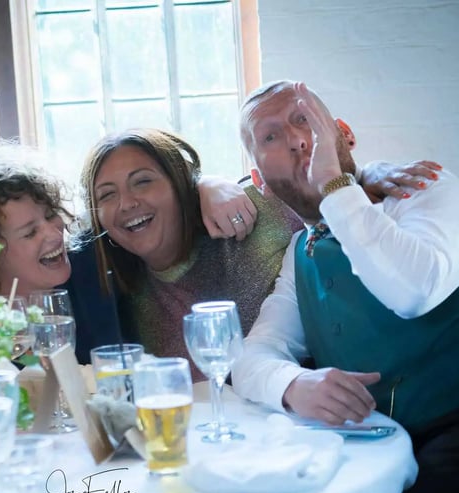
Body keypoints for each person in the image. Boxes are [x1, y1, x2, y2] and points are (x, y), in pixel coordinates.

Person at [231, 80, 459, 493]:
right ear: (259, 181)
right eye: (270, 136)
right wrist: (293, 383)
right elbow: (254, 356)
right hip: (371, 443)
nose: (296, 138)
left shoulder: (425, 190)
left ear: (343, 134)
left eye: (304, 119)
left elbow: (414, 292)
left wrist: (335, 184)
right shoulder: (298, 254)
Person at [0, 145, 259, 363]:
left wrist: (206, 185)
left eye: (50, 215)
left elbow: (149, 214)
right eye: (30, 232)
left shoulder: (92, 260)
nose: (53, 233)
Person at [80, 128, 303, 380]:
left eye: (142, 181)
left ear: (179, 182)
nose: (127, 203)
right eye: (108, 194)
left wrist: (207, 182)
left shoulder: (253, 210)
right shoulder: (116, 293)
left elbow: (335, 202)